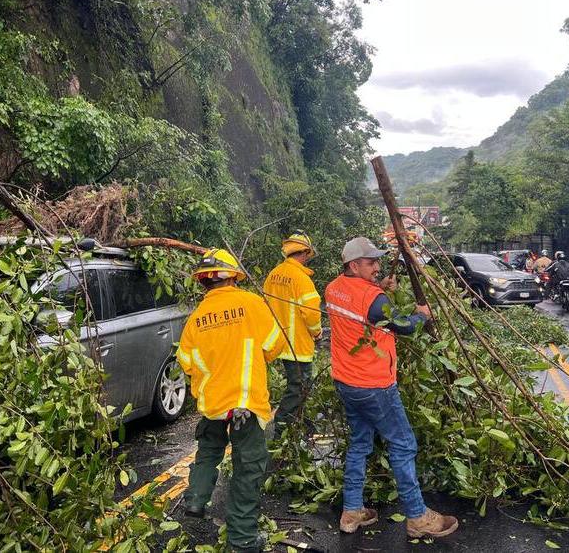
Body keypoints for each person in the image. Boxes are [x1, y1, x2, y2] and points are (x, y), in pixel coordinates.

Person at [324, 237, 459, 538]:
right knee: (403, 444)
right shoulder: (375, 300)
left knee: (360, 443)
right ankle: (417, 517)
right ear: (353, 265)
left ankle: (352, 511)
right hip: (374, 386)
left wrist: (380, 290)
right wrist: (422, 314)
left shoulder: (333, 289)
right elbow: (405, 326)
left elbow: (363, 309)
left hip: (346, 382)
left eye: (377, 261)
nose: (377, 266)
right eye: (370, 262)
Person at [176, 248, 285, 553]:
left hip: (212, 405)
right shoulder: (252, 304)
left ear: (203, 282)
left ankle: (196, 499)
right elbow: (273, 346)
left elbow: (186, 363)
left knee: (208, 450)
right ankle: (242, 539)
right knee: (247, 468)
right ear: (234, 275)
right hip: (245, 404)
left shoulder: (196, 320)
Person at [264, 231, 323, 429]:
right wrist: (317, 332)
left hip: (279, 341)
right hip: (297, 344)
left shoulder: (274, 274)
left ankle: (300, 422)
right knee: (299, 387)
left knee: (297, 386)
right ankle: (282, 427)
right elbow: (311, 314)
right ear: (305, 253)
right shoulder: (302, 279)